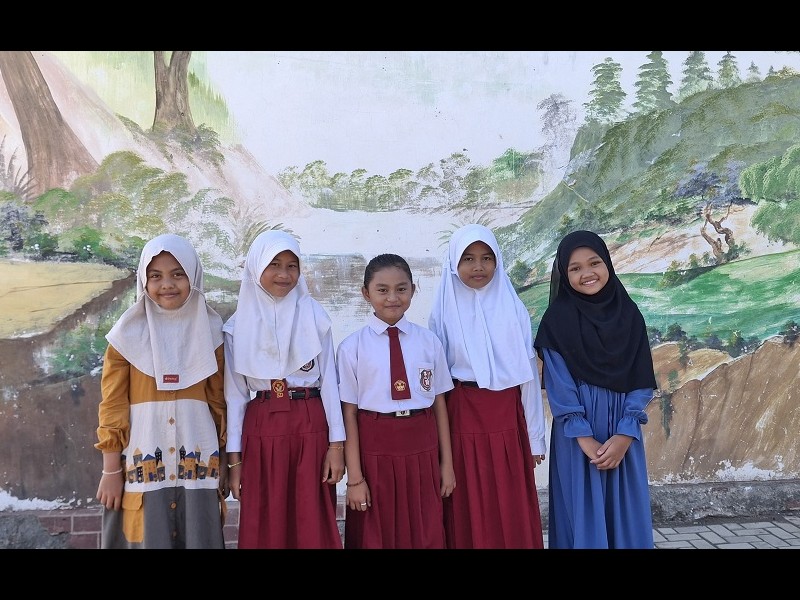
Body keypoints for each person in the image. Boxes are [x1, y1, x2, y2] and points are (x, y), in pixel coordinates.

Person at [95, 233, 228, 549]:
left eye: (177, 274)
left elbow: (220, 405)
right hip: (143, 473)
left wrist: (224, 462)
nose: (167, 284)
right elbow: (112, 406)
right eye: (155, 276)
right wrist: (111, 471)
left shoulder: (212, 334)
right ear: (144, 280)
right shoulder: (125, 338)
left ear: (193, 276)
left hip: (197, 473)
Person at [534, 230, 657, 549]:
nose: (587, 273)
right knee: (583, 513)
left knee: (625, 514)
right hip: (578, 436)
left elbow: (642, 377)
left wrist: (625, 433)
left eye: (594, 263)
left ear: (608, 264)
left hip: (622, 431)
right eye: (575, 268)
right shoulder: (556, 321)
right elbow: (559, 385)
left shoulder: (629, 315)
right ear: (564, 274)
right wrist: (584, 437)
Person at [223, 230, 345, 549]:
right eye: (274, 264)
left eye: (292, 266)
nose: (284, 274)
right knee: (265, 517)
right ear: (256, 267)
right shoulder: (236, 328)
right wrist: (235, 463)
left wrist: (337, 446)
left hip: (310, 422)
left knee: (312, 515)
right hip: (261, 426)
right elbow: (235, 398)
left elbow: (330, 383)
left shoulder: (315, 316)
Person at [428, 223, 546, 549]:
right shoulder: (442, 312)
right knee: (466, 499)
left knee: (508, 499)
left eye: (486, 258)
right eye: (468, 258)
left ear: (497, 261)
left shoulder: (513, 310)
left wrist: (535, 438)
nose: (478, 266)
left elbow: (527, 377)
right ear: (454, 263)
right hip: (461, 414)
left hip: (506, 415)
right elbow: (437, 383)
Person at [337, 253, 455, 549]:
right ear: (366, 293)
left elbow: (439, 404)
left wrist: (447, 464)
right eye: (382, 290)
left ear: (413, 290)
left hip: (422, 447)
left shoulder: (429, 342)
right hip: (375, 448)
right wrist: (355, 479)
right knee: (377, 531)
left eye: (401, 289)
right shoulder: (352, 348)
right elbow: (348, 413)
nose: (392, 298)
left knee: (424, 527)